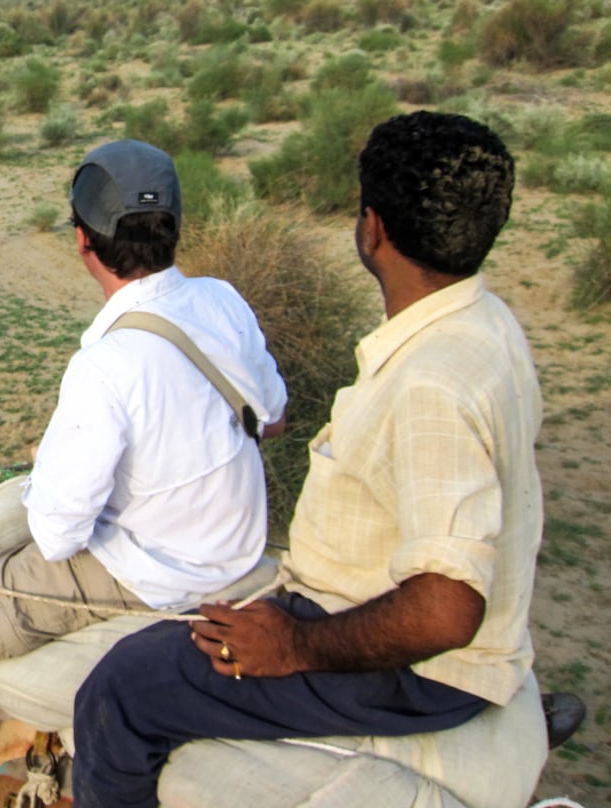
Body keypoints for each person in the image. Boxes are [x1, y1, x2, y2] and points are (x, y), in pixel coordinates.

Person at [71, 111, 543, 808]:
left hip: (426, 670)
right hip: (397, 616)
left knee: (120, 690)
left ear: (372, 229)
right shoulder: (487, 324)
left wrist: (296, 645)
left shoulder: (431, 383)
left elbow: (447, 609)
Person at [0, 139, 288, 807]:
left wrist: (49, 469)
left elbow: (59, 535)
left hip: (152, 572)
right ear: (174, 225)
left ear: (83, 242)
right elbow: (273, 416)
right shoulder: (222, 301)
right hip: (236, 546)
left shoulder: (104, 366)